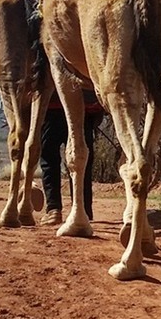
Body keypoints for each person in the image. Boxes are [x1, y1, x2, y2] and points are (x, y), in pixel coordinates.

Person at [38, 91, 104, 224]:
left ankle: (54, 209)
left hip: (52, 108)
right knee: (82, 161)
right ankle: (83, 210)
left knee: (49, 160)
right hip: (83, 108)